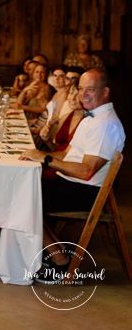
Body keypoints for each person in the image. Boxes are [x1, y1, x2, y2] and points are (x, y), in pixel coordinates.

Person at [19, 68, 125, 278]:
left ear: (105, 92)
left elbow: (86, 171)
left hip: (85, 191)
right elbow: (67, 154)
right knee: (21, 189)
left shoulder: (105, 125)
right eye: (81, 89)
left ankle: (60, 260)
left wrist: (46, 159)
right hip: (70, 183)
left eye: (90, 89)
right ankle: (54, 253)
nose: (83, 94)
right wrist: (37, 154)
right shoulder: (91, 118)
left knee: (21, 197)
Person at [37, 80, 83, 152]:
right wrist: (47, 140)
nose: (72, 98)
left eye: (78, 95)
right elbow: (56, 149)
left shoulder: (87, 121)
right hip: (56, 160)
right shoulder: (64, 117)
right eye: (71, 93)